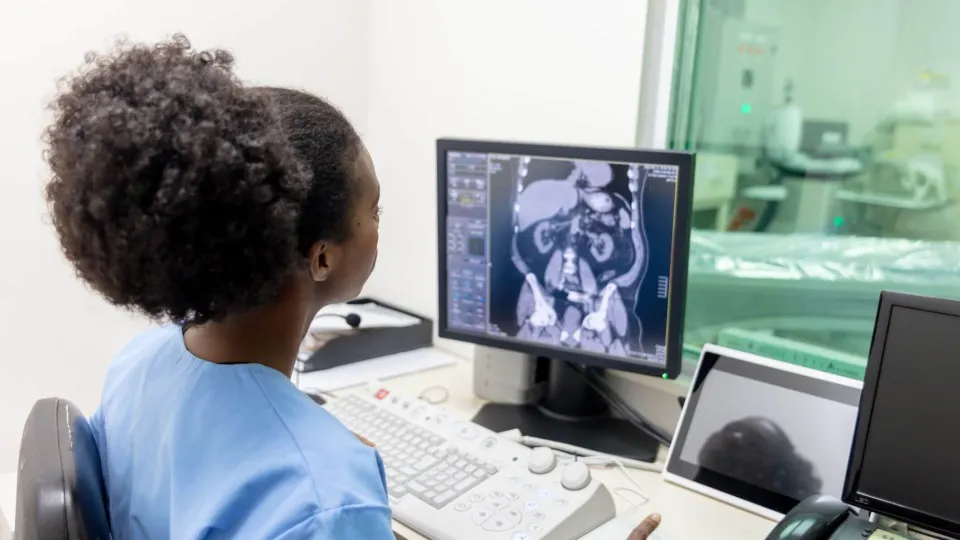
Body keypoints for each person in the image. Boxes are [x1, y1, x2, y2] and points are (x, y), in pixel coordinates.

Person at [43, 34, 662, 539]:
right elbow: (311, 505)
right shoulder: (322, 498)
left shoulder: (138, 364)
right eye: (376, 209)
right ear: (321, 258)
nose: (379, 227)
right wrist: (326, 480)